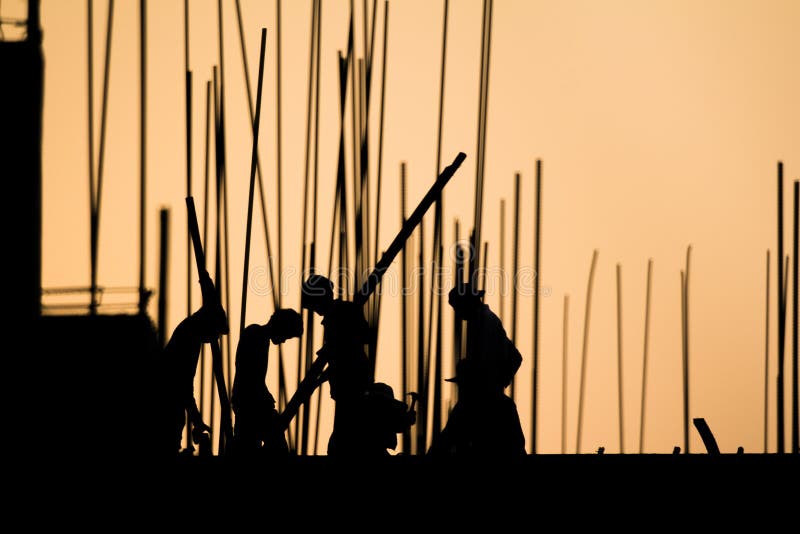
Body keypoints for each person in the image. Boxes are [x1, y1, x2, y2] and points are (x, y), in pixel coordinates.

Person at [428, 283, 525, 457]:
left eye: (457, 307)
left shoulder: (485, 323)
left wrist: (493, 383)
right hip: (486, 391)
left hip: (484, 394)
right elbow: (514, 357)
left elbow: (514, 357)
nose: (457, 313)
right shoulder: (482, 321)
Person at [159, 273, 228, 456]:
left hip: (171, 393)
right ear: (209, 325)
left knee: (175, 423)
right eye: (215, 334)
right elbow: (184, 388)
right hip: (166, 394)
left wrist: (206, 280)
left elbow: (211, 298)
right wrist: (196, 420)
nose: (215, 339)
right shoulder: (190, 340)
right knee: (172, 428)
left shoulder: (194, 327)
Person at [230, 308, 303, 457]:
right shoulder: (256, 335)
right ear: (281, 326)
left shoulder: (259, 336)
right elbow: (249, 375)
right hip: (249, 404)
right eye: (286, 336)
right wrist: (264, 399)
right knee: (273, 446)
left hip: (248, 401)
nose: (283, 341)